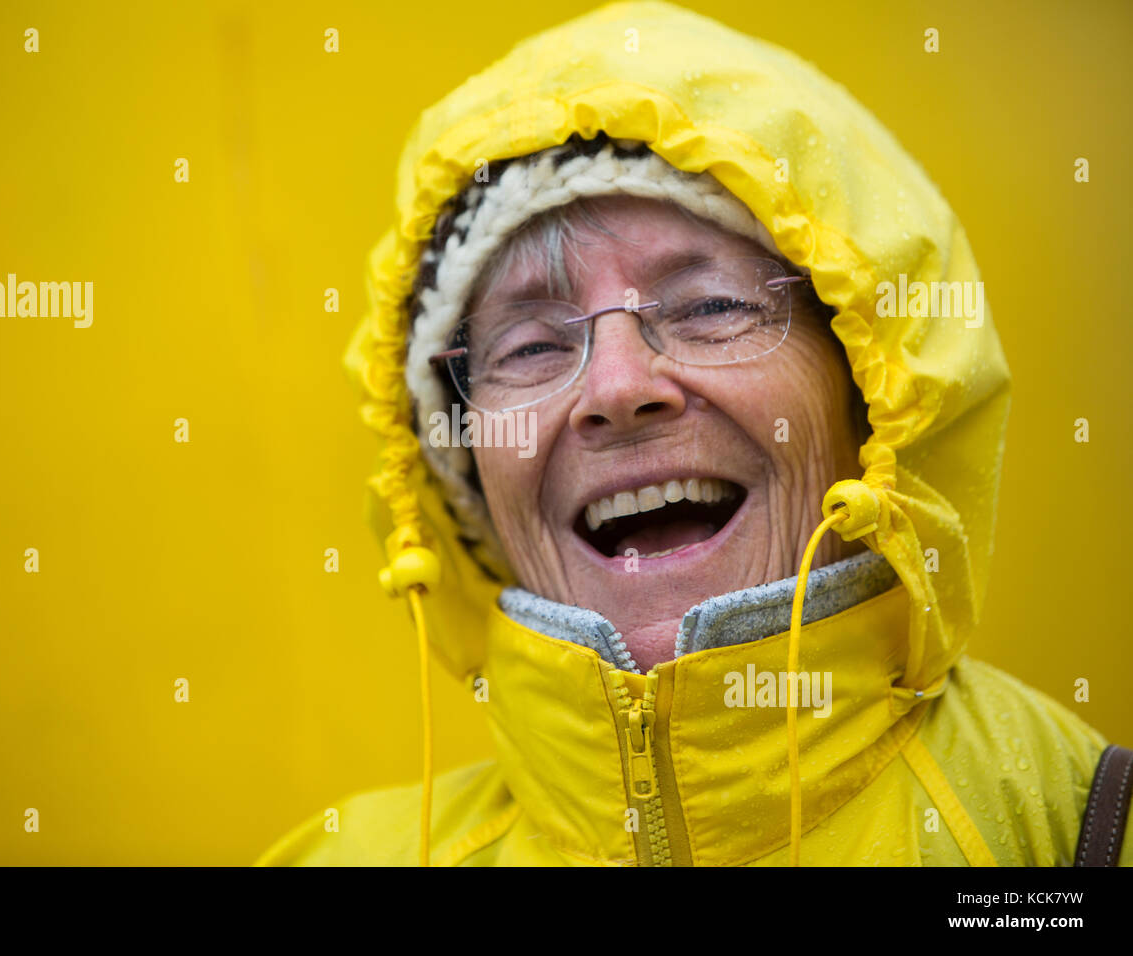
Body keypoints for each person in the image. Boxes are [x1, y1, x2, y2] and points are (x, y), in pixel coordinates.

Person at [260, 1, 1130, 866]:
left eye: (712, 307)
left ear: (871, 395)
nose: (617, 386)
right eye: (530, 344)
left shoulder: (1073, 827)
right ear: (468, 471)